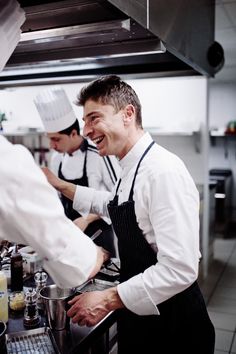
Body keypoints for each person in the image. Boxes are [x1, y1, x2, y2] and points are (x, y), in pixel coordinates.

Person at [43, 75, 215, 354]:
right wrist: (61, 185)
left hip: (174, 327)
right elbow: (111, 203)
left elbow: (180, 268)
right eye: (85, 121)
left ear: (128, 114)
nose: (86, 130)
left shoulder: (162, 171)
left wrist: (108, 299)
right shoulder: (130, 167)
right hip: (143, 316)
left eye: (94, 118)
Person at [34, 87, 120, 256]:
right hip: (71, 235)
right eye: (50, 139)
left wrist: (86, 219)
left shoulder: (100, 154)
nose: (52, 146)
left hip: (99, 234)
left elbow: (118, 198)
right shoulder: (56, 158)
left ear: (74, 134)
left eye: (56, 139)